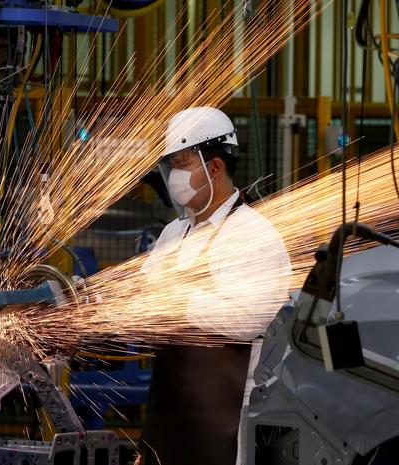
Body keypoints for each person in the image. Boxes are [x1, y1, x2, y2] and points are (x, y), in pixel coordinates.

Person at [137, 107, 291, 465]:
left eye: (182, 163)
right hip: (168, 416)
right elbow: (144, 302)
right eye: (170, 165)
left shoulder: (252, 235)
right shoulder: (173, 234)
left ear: (216, 167)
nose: (173, 176)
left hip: (222, 426)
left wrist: (176, 298)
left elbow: (246, 321)